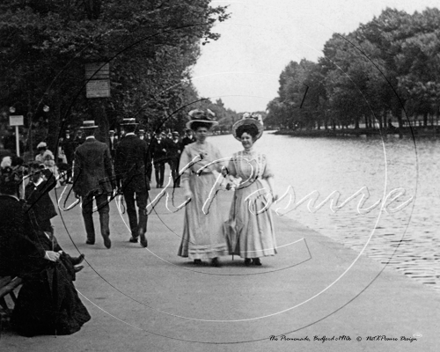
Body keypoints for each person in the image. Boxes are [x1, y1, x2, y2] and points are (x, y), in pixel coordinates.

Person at [0, 158, 90, 337]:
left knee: (48, 258)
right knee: (48, 268)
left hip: (6, 257)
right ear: (18, 188)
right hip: (8, 263)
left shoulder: (9, 205)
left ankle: (64, 264)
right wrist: (42, 253)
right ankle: (49, 315)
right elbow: (17, 240)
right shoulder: (16, 208)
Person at [223, 113, 277, 266]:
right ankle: (246, 254)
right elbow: (230, 174)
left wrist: (273, 191)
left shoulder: (261, 157)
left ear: (253, 139)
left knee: (257, 223)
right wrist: (230, 181)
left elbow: (269, 175)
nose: (245, 141)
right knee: (244, 223)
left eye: (248, 138)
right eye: (243, 138)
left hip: (258, 191)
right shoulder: (236, 157)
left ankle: (258, 254)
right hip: (242, 192)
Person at [177, 109, 227, 266]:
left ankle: (214, 254)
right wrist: (187, 190)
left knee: (213, 219)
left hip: (210, 185)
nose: (202, 134)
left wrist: (228, 172)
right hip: (196, 185)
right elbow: (184, 171)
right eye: (199, 131)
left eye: (205, 131)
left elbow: (220, 165)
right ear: (194, 132)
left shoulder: (213, 148)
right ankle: (197, 253)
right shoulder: (189, 149)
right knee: (197, 219)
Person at [73, 120, 115, 249]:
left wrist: (76, 187)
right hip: (101, 183)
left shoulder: (79, 149)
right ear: (94, 131)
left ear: (84, 132)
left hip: (86, 184)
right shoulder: (103, 146)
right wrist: (113, 183)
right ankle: (104, 230)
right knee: (104, 210)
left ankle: (90, 237)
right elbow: (109, 166)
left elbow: (77, 170)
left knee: (87, 211)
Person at [115, 119, 149, 247]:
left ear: (124, 129)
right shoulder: (143, 143)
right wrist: (147, 178)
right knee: (142, 207)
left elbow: (117, 166)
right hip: (141, 178)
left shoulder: (120, 144)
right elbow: (148, 162)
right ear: (135, 128)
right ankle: (142, 229)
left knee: (130, 208)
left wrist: (118, 183)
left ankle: (134, 233)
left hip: (127, 180)